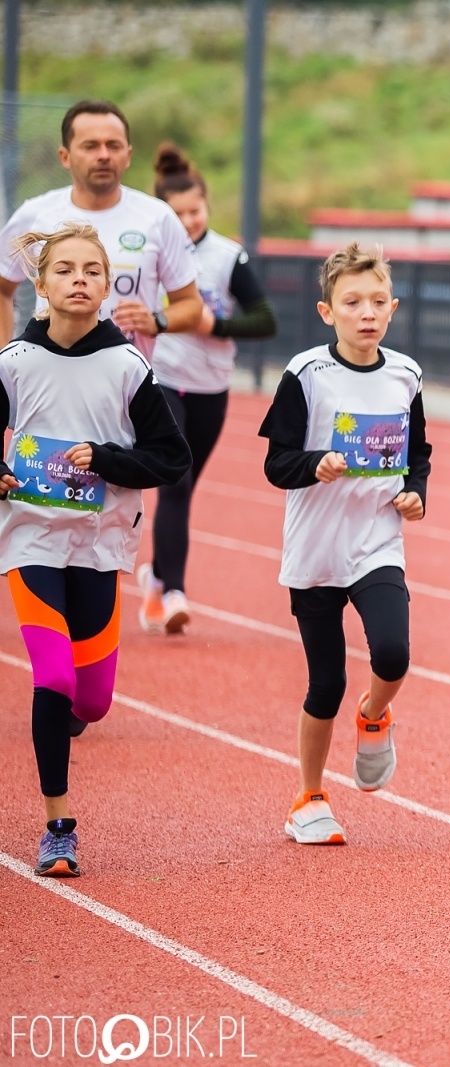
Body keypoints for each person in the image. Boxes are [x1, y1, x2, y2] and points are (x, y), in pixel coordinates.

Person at [0, 223, 191, 876]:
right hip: (31, 537)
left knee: (92, 701)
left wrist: (108, 460)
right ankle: (58, 825)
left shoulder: (127, 367)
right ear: (41, 284)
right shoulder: (14, 363)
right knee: (53, 678)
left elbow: (171, 457)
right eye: (64, 269)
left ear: (108, 287)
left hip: (100, 545)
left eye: (91, 270)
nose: (78, 280)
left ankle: (71, 714)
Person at [257, 242, 430, 846]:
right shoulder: (307, 375)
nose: (367, 313)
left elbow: (417, 454)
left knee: (393, 653)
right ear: (327, 311)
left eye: (378, 301)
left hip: (376, 540)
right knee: (325, 682)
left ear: (393, 307)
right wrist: (316, 463)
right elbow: (276, 463)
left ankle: (374, 713)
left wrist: (415, 492)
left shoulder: (405, 375)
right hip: (316, 550)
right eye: (353, 302)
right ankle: (309, 797)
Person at [135, 143, 278, 635]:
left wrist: (214, 324)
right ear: (162, 215)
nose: (188, 221)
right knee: (175, 480)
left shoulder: (227, 256)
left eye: (195, 211)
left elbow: (266, 319)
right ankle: (174, 591)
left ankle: (156, 575)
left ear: (207, 207)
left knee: (185, 487)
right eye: (177, 214)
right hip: (162, 380)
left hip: (211, 387)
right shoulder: (148, 254)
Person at [0, 101, 203, 356]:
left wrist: (157, 320)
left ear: (128, 155)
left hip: (125, 377)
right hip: (47, 373)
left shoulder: (158, 217)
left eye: (113, 145)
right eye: (91, 146)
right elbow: (2, 288)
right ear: (65, 156)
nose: (104, 155)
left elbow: (191, 305)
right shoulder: (35, 214)